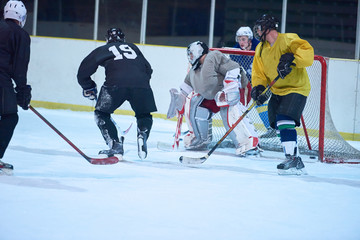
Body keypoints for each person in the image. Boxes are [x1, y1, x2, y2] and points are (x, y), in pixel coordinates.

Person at [167, 41, 259, 157]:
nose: (189, 57)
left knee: (228, 106)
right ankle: (200, 139)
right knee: (195, 103)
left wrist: (230, 87)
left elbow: (234, 68)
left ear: (198, 51)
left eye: (191, 54)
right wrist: (178, 101)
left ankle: (249, 142)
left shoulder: (213, 56)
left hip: (237, 90)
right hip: (216, 95)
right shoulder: (194, 70)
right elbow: (186, 89)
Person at [77, 28, 157, 160]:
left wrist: (88, 86)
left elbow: (83, 71)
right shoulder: (133, 47)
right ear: (123, 39)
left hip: (115, 84)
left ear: (107, 39)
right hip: (142, 84)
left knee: (101, 114)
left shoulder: (104, 49)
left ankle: (115, 145)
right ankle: (142, 134)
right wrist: (140, 83)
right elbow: (148, 68)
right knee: (144, 115)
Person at [251, 14, 314, 175]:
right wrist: (258, 88)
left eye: (259, 28)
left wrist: (292, 58)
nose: (257, 32)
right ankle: (296, 161)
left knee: (284, 118)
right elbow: (259, 73)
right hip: (277, 90)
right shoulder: (260, 49)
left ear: (267, 28)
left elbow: (307, 53)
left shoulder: (288, 40)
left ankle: (291, 158)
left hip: (296, 88)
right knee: (278, 125)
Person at [0, 0, 32, 174]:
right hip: (1, 79)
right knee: (10, 116)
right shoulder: (20, 34)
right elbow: (20, 67)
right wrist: (22, 91)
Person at [233, 26, 276, 138]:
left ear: (250, 39)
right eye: (239, 39)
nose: (241, 42)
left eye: (243, 39)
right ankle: (238, 129)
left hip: (264, 79)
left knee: (262, 102)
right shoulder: (235, 51)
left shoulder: (260, 47)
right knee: (240, 104)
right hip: (247, 82)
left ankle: (273, 128)